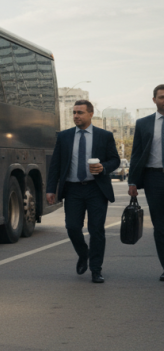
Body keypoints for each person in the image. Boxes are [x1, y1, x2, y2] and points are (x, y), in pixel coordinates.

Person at [46, 100, 120, 283]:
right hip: (72, 190)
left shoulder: (104, 136)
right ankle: (83, 253)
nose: (76, 116)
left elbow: (115, 160)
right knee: (72, 227)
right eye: (74, 113)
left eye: (80, 112)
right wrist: (50, 189)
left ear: (90, 114)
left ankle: (96, 270)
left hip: (96, 189)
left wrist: (103, 167)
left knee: (96, 230)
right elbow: (55, 164)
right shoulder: (64, 136)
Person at [127, 84, 164, 281]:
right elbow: (136, 154)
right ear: (154, 100)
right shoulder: (143, 124)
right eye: (161, 97)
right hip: (154, 178)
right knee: (160, 225)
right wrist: (132, 181)